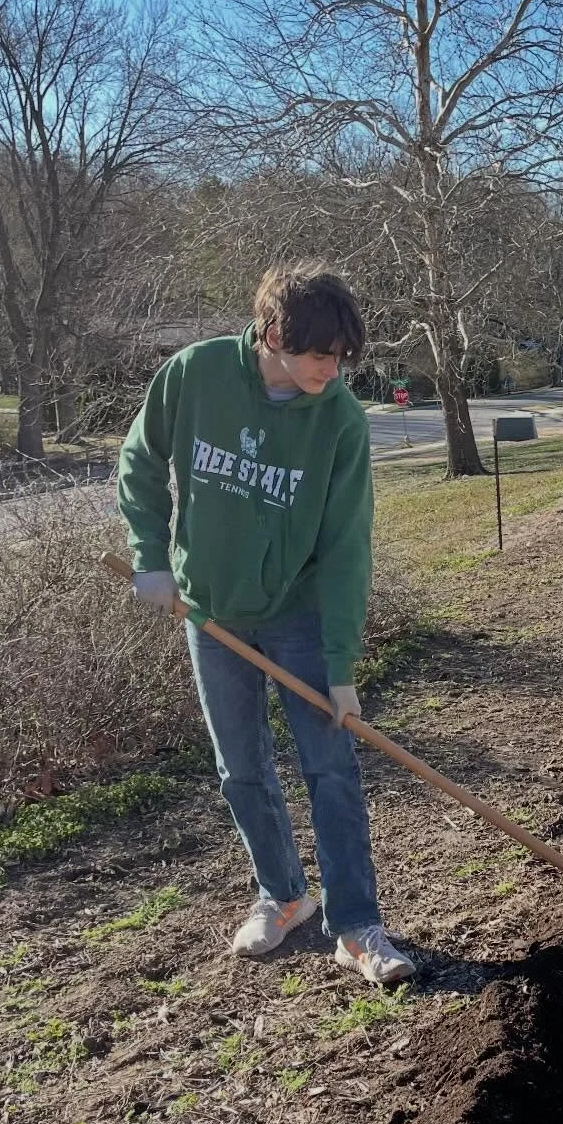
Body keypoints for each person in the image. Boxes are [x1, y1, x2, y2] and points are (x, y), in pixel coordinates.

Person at [116, 261, 416, 986]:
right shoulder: (195, 374)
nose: (332, 370)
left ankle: (356, 924)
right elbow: (140, 459)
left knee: (330, 768)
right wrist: (150, 558)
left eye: (342, 357)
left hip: (299, 613)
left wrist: (341, 671)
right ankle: (283, 896)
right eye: (320, 355)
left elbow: (347, 549)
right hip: (211, 612)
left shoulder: (339, 419)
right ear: (274, 333)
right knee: (240, 768)